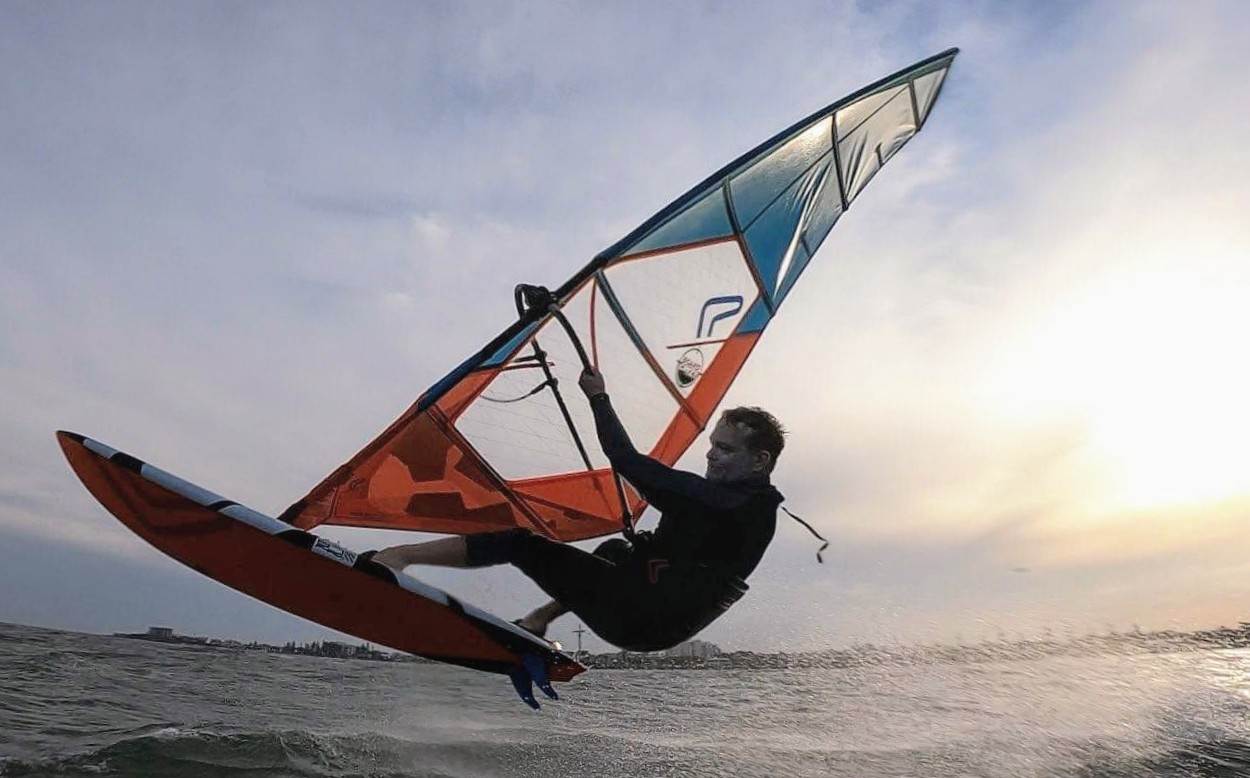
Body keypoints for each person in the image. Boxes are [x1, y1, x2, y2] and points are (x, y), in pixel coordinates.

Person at [371, 367, 786, 652]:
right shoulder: (754, 507)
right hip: (659, 615)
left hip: (638, 616)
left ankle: (399, 557)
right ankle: (538, 620)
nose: (711, 455)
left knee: (520, 543)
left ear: (759, 461)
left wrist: (597, 396)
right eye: (712, 445)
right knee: (616, 551)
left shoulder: (721, 501)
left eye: (725, 449)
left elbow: (624, 458)